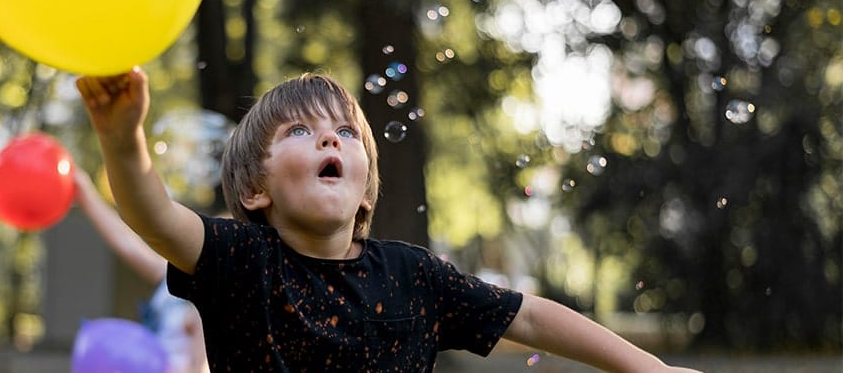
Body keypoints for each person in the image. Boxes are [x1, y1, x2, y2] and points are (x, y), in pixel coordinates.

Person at [76, 67, 702, 372]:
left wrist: (652, 369)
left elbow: (532, 315)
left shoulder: (414, 275)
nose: (331, 142)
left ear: (366, 192)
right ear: (253, 188)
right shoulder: (241, 260)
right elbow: (151, 213)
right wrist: (120, 135)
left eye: (346, 132)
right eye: (302, 130)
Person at [72, 168, 209, 373]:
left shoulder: (211, 301)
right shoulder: (173, 276)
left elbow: (201, 368)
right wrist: (85, 195)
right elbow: (128, 245)